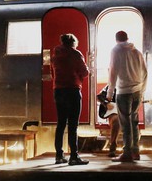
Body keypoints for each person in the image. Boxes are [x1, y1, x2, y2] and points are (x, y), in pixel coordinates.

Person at [107, 30, 147, 162]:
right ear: (127, 38)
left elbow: (113, 72)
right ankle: (136, 151)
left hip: (124, 91)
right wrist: (142, 90)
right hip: (137, 91)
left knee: (125, 123)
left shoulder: (116, 50)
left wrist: (109, 93)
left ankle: (127, 153)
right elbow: (145, 72)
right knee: (134, 122)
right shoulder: (136, 51)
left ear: (116, 39)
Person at [50, 33, 90, 165]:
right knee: (73, 125)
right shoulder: (76, 54)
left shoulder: (55, 56)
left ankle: (59, 155)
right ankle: (74, 156)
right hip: (72, 90)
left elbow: (52, 74)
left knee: (61, 124)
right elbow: (84, 72)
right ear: (73, 42)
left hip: (59, 90)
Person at [97, 84, 120, 157]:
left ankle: (131, 150)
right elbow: (99, 96)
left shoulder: (129, 86)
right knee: (116, 121)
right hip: (114, 113)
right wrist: (106, 104)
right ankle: (113, 148)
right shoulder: (112, 86)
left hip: (125, 112)